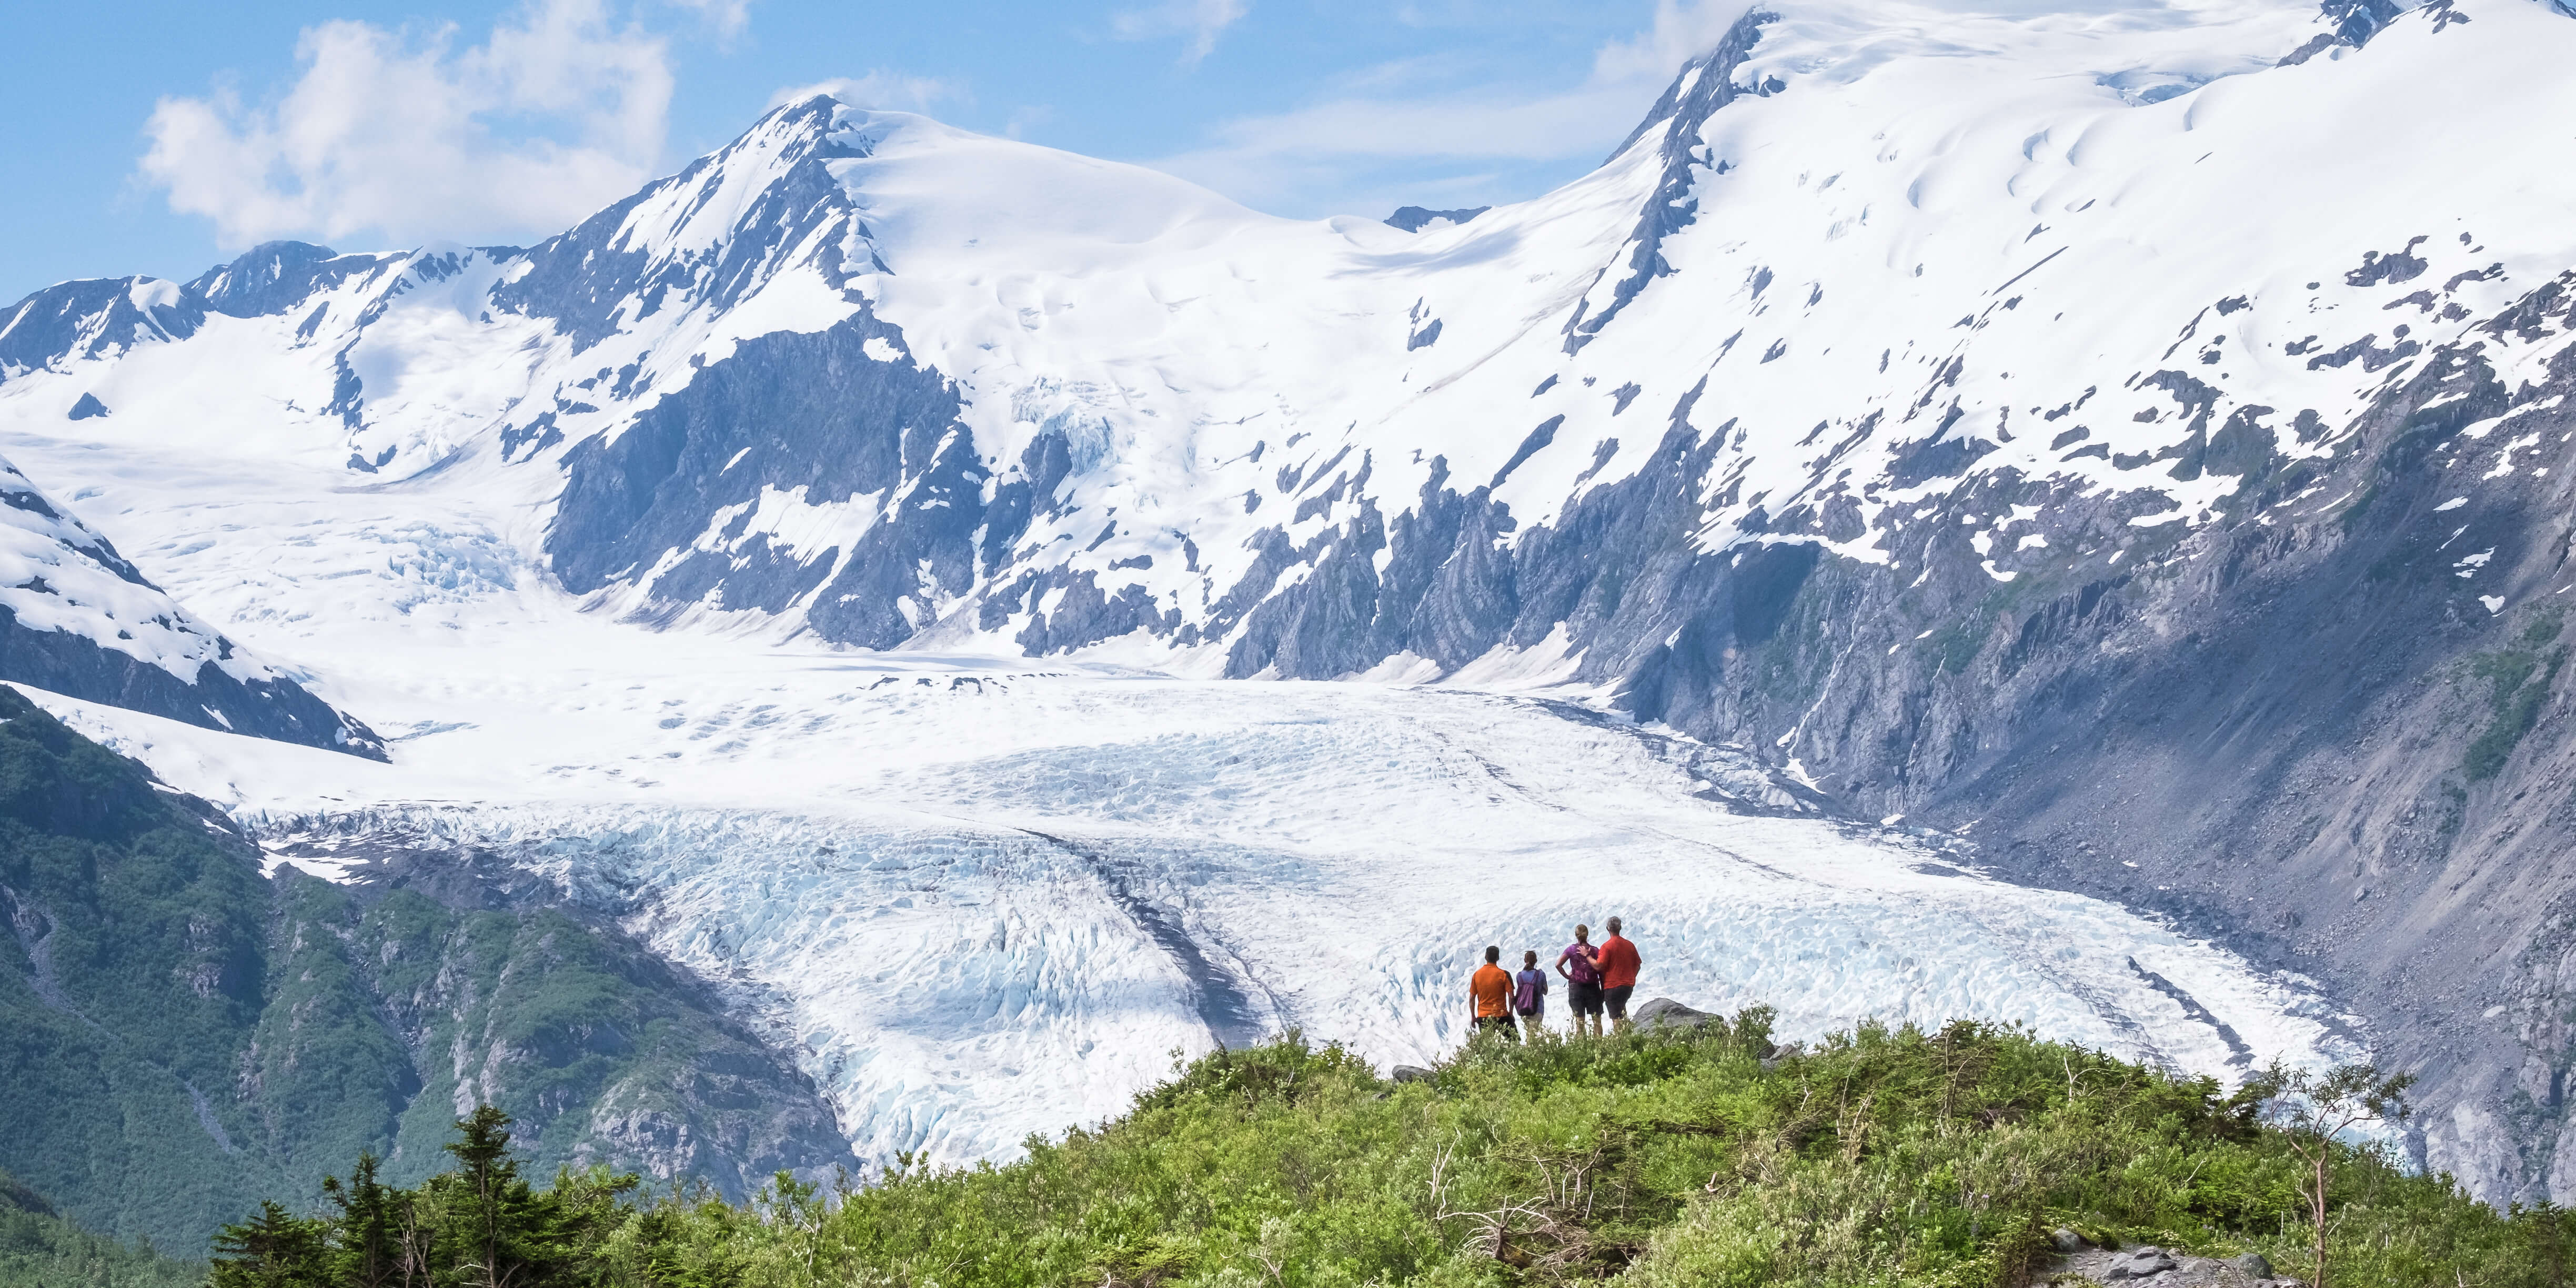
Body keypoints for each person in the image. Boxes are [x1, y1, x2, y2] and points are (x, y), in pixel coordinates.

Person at [1556, 925, 1604, 1038]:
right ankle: (1599, 1048)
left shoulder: (1571, 950)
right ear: (1587, 935)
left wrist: (1568, 977)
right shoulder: (1595, 950)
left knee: (1580, 1021)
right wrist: (1603, 989)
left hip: (1576, 987)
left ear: (1576, 935)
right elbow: (1601, 969)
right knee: (1597, 1020)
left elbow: (1558, 965)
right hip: (1593, 987)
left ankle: (1582, 1049)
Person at [1597, 916, 1642, 1034]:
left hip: (1612, 986)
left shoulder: (1606, 947)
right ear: (1620, 928)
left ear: (1608, 929)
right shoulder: (1629, 945)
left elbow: (1600, 966)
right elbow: (1638, 964)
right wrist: (1631, 976)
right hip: (1627, 986)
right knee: (1622, 1011)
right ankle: (1627, 1037)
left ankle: (1620, 1043)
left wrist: (1589, 958)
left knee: (1617, 1018)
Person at [1469, 945, 1518, 1042]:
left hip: (1483, 1016)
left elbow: (1472, 998)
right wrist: (1511, 1013)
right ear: (1498, 958)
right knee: (1514, 1041)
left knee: (1487, 1048)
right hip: (1502, 1015)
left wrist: (1473, 1017)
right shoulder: (1504, 974)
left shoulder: (1477, 975)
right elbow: (1511, 997)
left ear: (1485, 957)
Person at [1512, 949, 1550, 1041]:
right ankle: (1531, 1052)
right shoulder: (1540, 974)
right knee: (1532, 1034)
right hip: (1537, 1008)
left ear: (1525, 961)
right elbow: (1545, 991)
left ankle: (1531, 1051)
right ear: (1536, 961)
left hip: (1523, 1009)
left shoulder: (1519, 975)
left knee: (1530, 1032)